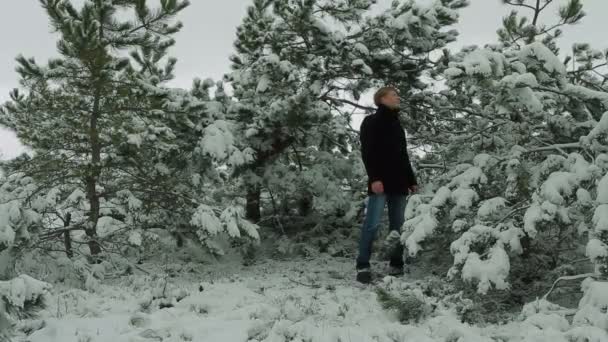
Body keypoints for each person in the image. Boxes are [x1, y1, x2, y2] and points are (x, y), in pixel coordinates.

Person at [356, 86, 418, 284]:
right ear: (382, 98)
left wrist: (411, 180)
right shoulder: (371, 121)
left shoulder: (397, 124)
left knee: (398, 225)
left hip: (399, 183)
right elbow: (368, 152)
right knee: (371, 224)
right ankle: (363, 265)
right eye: (394, 95)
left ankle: (396, 263)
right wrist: (374, 178)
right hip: (380, 182)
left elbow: (403, 156)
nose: (398, 97)